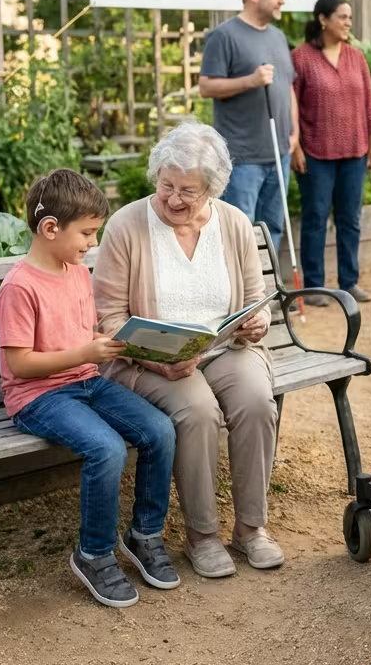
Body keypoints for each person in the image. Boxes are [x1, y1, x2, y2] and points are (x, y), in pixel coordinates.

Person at [94, 122, 285, 579]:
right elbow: (110, 320)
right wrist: (155, 356)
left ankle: (250, 528)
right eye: (167, 186)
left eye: (189, 191)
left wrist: (257, 322)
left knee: (257, 400)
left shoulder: (234, 223)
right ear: (156, 176)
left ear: (213, 190)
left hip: (223, 349)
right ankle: (202, 535)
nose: (175, 199)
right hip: (149, 360)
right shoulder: (126, 226)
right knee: (197, 411)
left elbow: (254, 301)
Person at [0, 169, 179, 608]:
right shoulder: (19, 286)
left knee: (160, 430)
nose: (92, 244)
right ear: (50, 228)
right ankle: (94, 553)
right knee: (107, 448)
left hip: (86, 382)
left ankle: (144, 535)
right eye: (87, 233)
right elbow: (20, 364)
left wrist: (128, 340)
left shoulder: (76, 271)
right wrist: (85, 353)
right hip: (37, 397)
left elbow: (85, 333)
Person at [198, 0, 301, 254]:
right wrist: (250, 81)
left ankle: (267, 294)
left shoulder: (278, 37)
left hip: (279, 153)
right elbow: (206, 87)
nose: (282, 0)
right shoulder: (224, 36)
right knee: (239, 233)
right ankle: (244, 298)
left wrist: (295, 132)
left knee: (273, 228)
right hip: (242, 158)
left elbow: (287, 86)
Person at [291, 0, 371, 305]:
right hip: (315, 153)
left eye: (349, 17)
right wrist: (296, 148)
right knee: (315, 217)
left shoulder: (356, 57)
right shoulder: (300, 58)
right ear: (323, 19)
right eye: (342, 17)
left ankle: (349, 282)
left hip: (354, 151)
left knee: (350, 218)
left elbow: (369, 103)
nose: (347, 23)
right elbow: (292, 107)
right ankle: (314, 286)